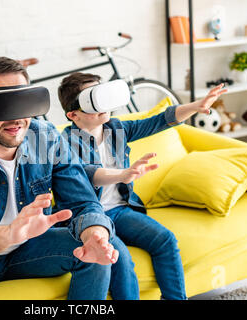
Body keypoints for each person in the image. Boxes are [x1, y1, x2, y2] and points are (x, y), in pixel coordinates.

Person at [0, 57, 141, 300]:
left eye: (22, 103)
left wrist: (95, 234)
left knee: (95, 254)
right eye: (2, 106)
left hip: (28, 247)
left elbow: (82, 202)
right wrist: (9, 234)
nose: (16, 119)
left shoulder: (46, 138)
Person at [57, 72, 228, 300]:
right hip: (89, 218)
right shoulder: (65, 141)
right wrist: (122, 174)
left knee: (165, 239)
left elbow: (160, 121)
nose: (102, 103)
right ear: (73, 114)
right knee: (121, 258)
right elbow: (87, 173)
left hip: (119, 210)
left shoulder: (116, 129)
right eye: (93, 99)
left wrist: (196, 106)